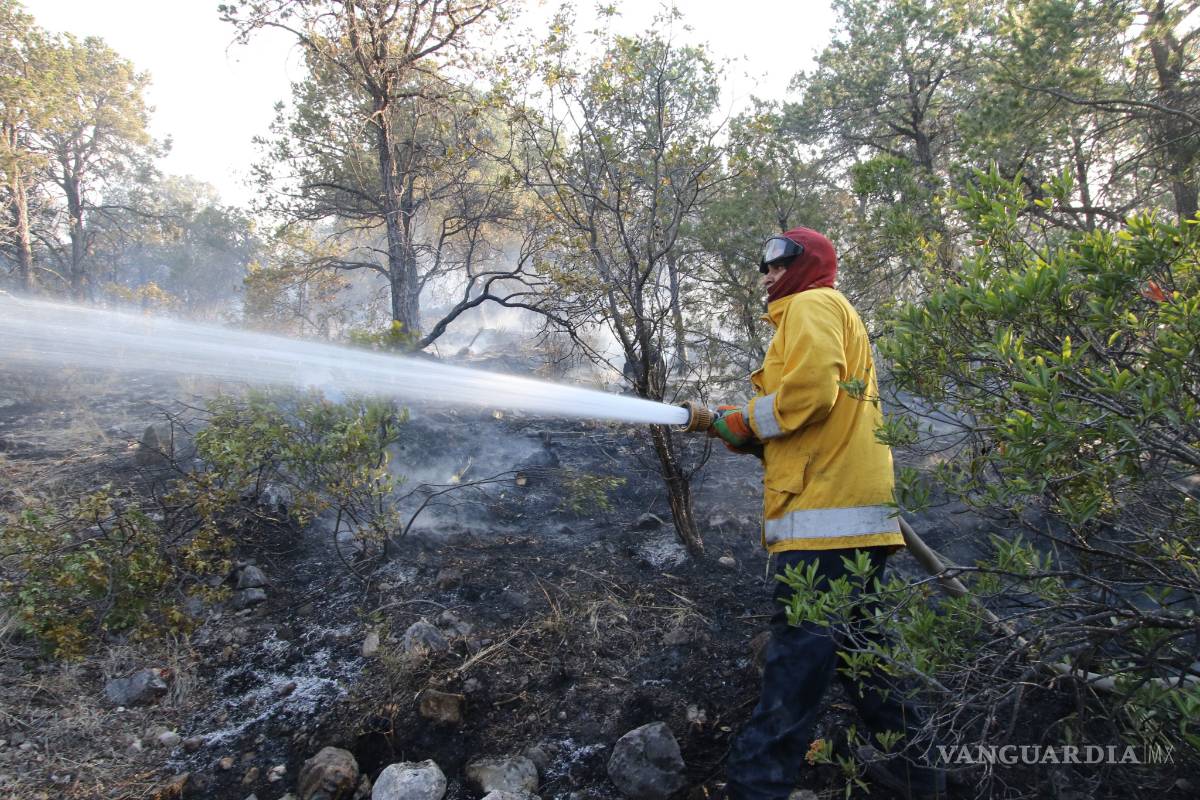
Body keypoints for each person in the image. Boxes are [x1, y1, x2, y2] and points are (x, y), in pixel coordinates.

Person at [709, 227, 945, 800]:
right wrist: (752, 435)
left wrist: (746, 421)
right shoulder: (830, 310)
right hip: (853, 517)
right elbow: (821, 416)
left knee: (797, 659)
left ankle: (756, 785)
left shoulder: (812, 304)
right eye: (762, 265)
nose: (765, 275)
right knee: (861, 653)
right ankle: (920, 775)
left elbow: (811, 393)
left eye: (776, 264)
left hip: (828, 521)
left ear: (806, 265)